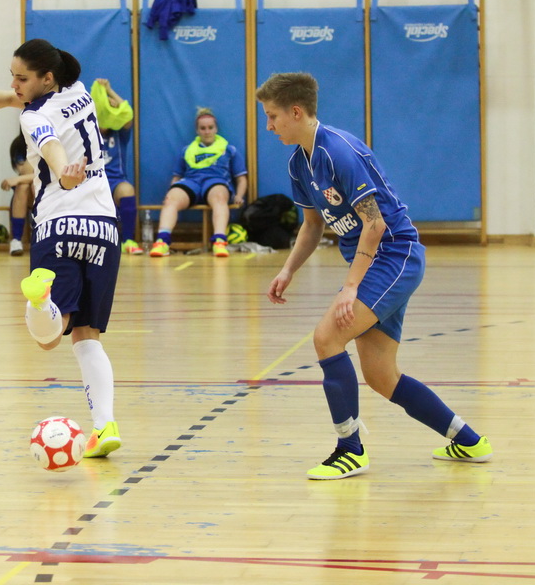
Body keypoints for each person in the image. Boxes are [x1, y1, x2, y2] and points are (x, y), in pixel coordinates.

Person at [256, 72, 492, 480]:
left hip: (395, 254)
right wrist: (288, 269)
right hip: (375, 262)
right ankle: (469, 440)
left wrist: (350, 287)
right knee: (381, 375)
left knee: (327, 336)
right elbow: (312, 225)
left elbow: (376, 224)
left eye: (273, 116)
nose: (269, 126)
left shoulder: (339, 152)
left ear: (296, 112)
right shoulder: (299, 162)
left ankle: (350, 448)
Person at [0, 38, 122, 459]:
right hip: (105, 227)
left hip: (59, 223)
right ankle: (105, 426)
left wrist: (63, 175)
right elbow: (10, 97)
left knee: (49, 337)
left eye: (21, 77)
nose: (14, 84)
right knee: (88, 336)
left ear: (45, 78)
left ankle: (40, 298)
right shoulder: (77, 91)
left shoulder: (35, 116)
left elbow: (49, 146)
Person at [148, 108, 247, 258]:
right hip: (191, 182)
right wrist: (171, 191)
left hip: (216, 181)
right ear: (197, 130)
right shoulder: (187, 150)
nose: (207, 131)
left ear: (216, 129)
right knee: (171, 199)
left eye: (210, 127)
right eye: (203, 128)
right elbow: (177, 177)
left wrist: (239, 195)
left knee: (220, 197)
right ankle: (162, 242)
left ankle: (220, 241)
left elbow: (241, 178)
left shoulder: (228, 150)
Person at [91, 78, 142, 255]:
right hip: (92, 180)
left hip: (115, 180)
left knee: (127, 190)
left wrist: (110, 92)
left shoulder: (120, 133)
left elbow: (128, 115)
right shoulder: (86, 133)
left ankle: (127, 240)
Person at [1, 133, 33, 256]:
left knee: (35, 186)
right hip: (23, 192)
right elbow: (23, 171)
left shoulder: (50, 142)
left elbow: (48, 174)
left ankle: (39, 233)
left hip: (44, 190)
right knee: (23, 186)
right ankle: (16, 240)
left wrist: (19, 179)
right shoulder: (18, 145)